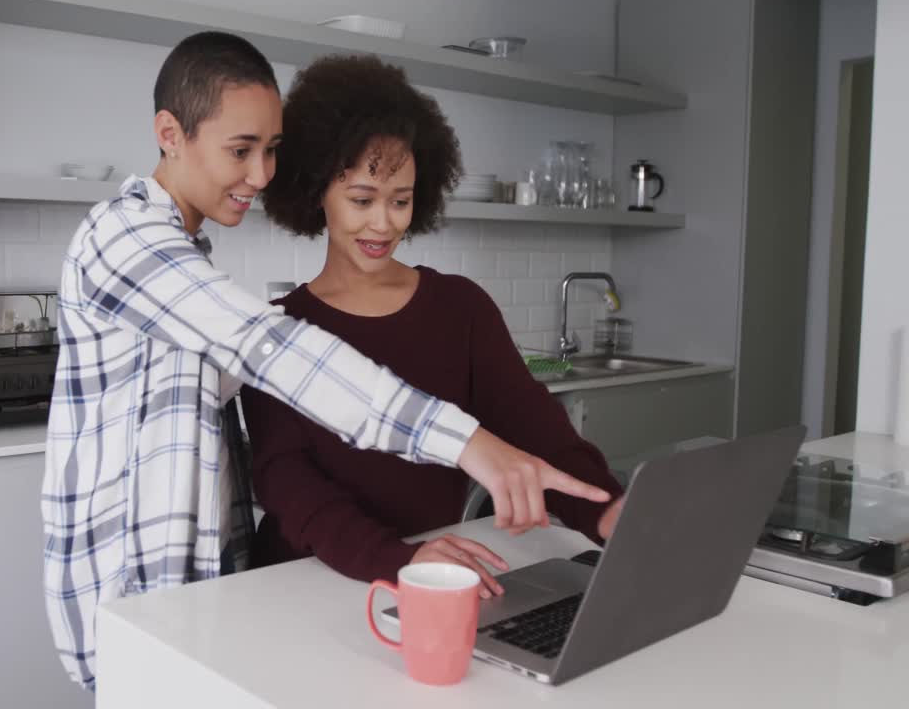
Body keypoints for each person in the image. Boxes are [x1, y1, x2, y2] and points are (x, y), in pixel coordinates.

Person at [41, 33, 611, 690]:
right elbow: (278, 357)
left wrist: (602, 507)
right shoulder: (124, 240)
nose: (260, 175)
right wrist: (468, 444)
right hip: (135, 608)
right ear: (170, 133)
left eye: (272, 151)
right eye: (241, 151)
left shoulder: (185, 253)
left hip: (200, 602)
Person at [243, 54, 625, 596]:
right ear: (316, 192)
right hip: (307, 582)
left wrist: (606, 511)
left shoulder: (460, 307)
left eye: (400, 201)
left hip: (432, 573)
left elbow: (538, 431)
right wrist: (396, 559)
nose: (383, 222)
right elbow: (288, 485)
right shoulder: (281, 330)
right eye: (361, 200)